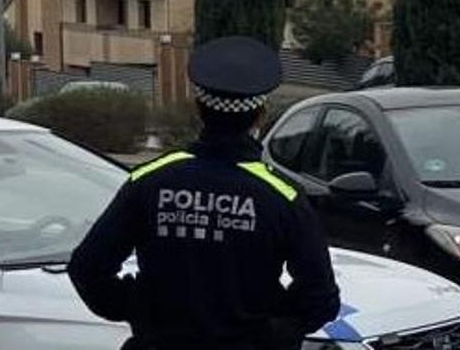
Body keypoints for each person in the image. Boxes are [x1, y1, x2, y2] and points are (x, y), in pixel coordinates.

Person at [68, 36, 340, 350]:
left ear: (199, 109)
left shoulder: (150, 181)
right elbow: (320, 298)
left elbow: (87, 267)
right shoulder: (281, 197)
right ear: (260, 115)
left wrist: (136, 308)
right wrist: (271, 332)